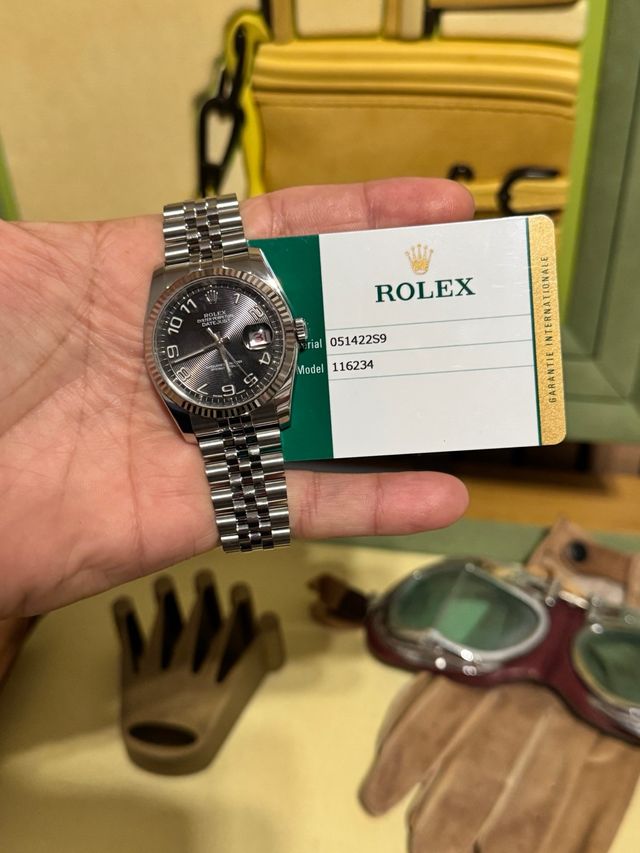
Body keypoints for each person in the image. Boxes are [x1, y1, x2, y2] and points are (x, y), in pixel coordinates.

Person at [0, 178, 473, 618]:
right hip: (202, 395)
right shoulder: (180, 332)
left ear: (294, 331)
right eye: (214, 340)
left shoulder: (250, 294)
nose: (221, 341)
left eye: (224, 336)